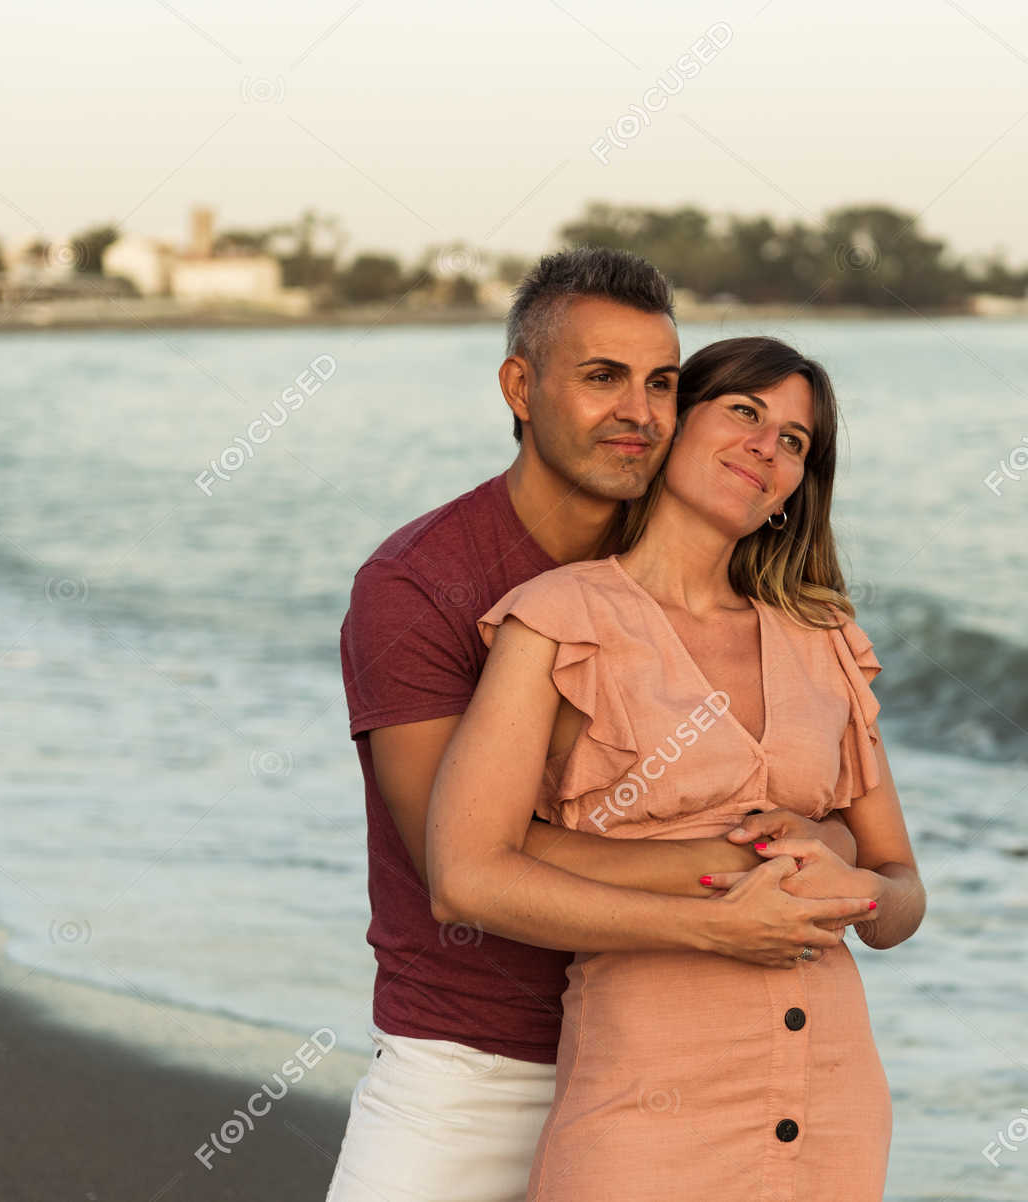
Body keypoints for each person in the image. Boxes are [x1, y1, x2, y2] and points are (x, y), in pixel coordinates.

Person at [326, 251, 877, 1202]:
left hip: (676, 1062)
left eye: (662, 383)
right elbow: (458, 864)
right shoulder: (418, 586)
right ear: (520, 387)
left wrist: (827, 843)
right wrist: (762, 864)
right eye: (600, 377)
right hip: (478, 1063)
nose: (638, 412)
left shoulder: (702, 575)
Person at [425, 335, 927, 1201]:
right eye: (744, 412)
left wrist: (841, 868)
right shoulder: (561, 619)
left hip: (834, 1103)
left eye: (796, 441)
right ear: (672, 429)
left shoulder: (827, 639)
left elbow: (901, 896)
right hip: (644, 1104)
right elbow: (465, 879)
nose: (767, 447)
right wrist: (715, 923)